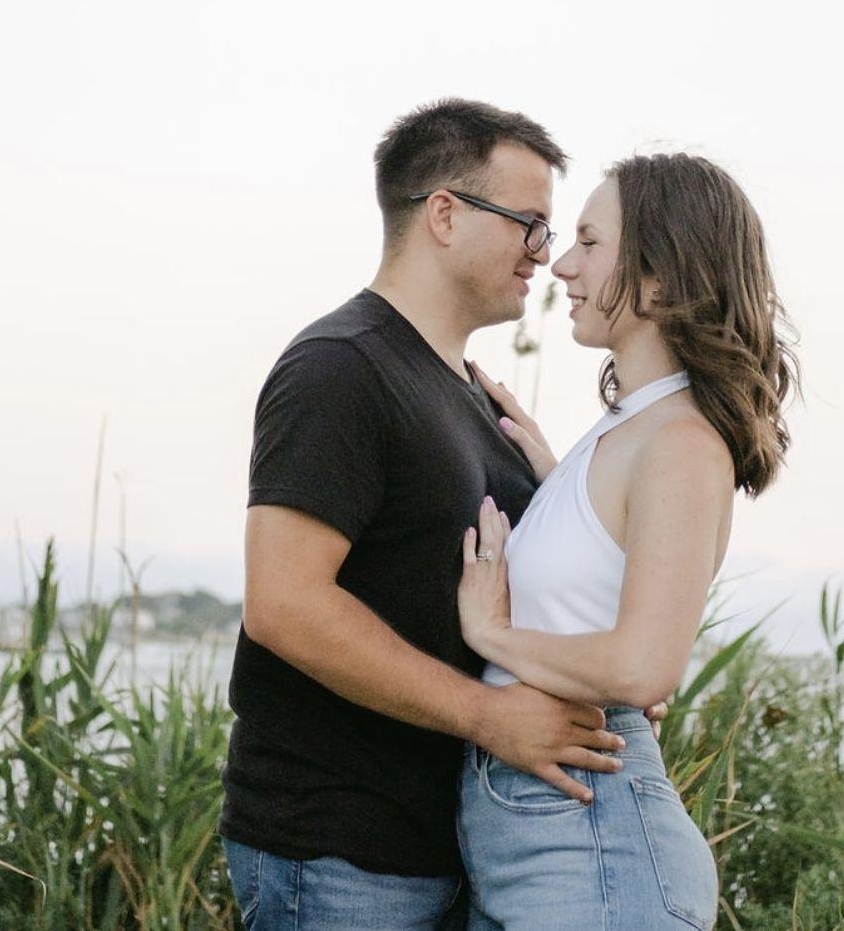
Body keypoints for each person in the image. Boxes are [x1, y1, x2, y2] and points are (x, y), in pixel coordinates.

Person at [220, 98, 647, 931]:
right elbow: (284, 604)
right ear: (444, 215)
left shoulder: (472, 395)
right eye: (529, 224)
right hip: (340, 854)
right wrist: (488, 718)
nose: (543, 255)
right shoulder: (341, 368)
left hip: (450, 852)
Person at [453, 153, 799, 931]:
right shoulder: (627, 432)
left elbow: (645, 667)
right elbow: (594, 581)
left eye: (589, 242)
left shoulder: (679, 442)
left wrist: (491, 633)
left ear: (659, 279)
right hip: (548, 839)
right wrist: (553, 487)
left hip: (594, 846)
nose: (561, 266)